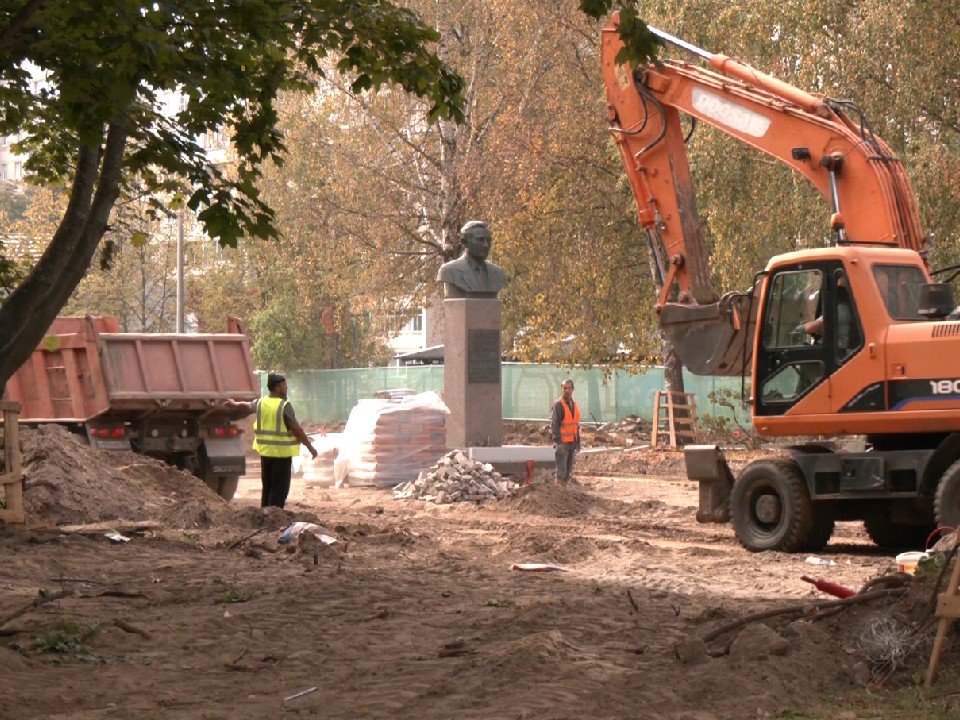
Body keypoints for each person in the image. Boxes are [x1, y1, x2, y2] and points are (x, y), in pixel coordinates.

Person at [225, 373, 318, 508]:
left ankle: (265, 515)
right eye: (285, 385)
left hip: (266, 453)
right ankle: (274, 517)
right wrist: (310, 447)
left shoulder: (262, 402)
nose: (287, 388)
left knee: (267, 487)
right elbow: (296, 428)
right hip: (281, 455)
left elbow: (247, 406)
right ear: (278, 387)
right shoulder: (284, 405)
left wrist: (234, 404)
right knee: (279, 490)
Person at [437, 220, 506, 298]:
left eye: (488, 240)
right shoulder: (449, 270)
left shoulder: (497, 272)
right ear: (464, 242)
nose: (486, 245)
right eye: (480, 240)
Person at [550, 379, 581, 487]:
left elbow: (575, 425)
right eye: (565, 388)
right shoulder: (558, 405)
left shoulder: (574, 404)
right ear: (561, 389)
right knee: (561, 472)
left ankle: (564, 496)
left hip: (572, 443)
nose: (567, 390)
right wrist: (558, 443)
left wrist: (578, 442)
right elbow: (555, 425)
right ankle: (558, 496)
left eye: (569, 388)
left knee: (568, 473)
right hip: (562, 444)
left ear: (573, 389)